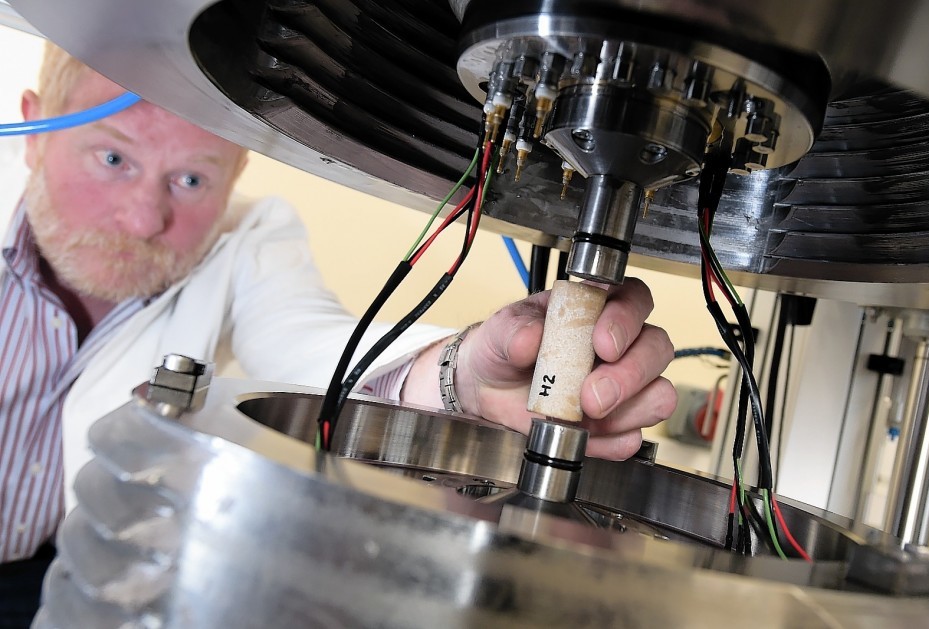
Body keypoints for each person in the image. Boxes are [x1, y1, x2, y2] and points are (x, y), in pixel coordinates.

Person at [0, 44, 677, 624]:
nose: (147, 216)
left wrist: (464, 375)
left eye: (191, 177)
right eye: (113, 159)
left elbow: (311, 348)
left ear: (234, 174)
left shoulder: (247, 239)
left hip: (89, 568)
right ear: (33, 129)